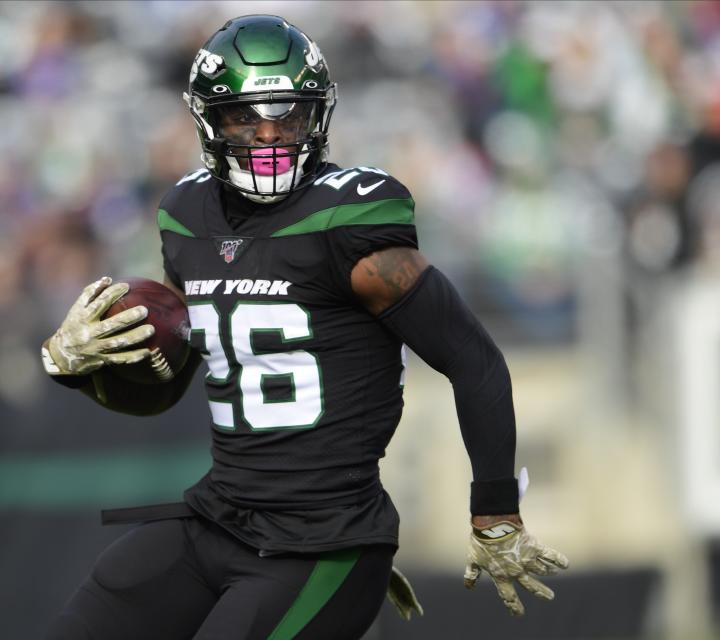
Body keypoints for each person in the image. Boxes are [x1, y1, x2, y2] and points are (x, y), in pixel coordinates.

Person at [40, 15, 568, 640]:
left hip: (325, 540)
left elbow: (472, 359)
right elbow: (172, 376)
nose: (268, 138)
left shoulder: (350, 223)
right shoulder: (185, 216)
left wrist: (495, 512)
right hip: (220, 516)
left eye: (287, 117)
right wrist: (71, 363)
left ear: (315, 118)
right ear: (208, 120)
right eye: (245, 118)